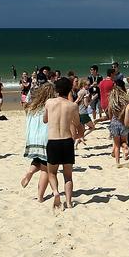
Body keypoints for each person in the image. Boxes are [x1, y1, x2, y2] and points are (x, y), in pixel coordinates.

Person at [43, 77, 81, 211]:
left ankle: (55, 192)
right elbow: (77, 124)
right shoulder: (73, 106)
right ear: (69, 90)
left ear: (56, 90)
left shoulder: (49, 102)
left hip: (53, 141)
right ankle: (69, 202)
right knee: (68, 176)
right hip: (67, 141)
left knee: (52, 172)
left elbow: (45, 120)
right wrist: (79, 134)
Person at [21, 82, 55, 203]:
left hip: (32, 138)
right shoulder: (50, 106)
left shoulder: (32, 106)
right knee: (46, 169)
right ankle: (40, 197)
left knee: (38, 160)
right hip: (45, 138)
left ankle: (29, 172)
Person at [107, 80, 129, 167]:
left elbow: (109, 112)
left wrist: (111, 119)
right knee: (124, 141)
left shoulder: (112, 99)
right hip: (123, 122)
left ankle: (117, 162)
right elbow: (128, 111)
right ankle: (127, 149)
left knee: (116, 145)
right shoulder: (126, 99)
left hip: (114, 122)